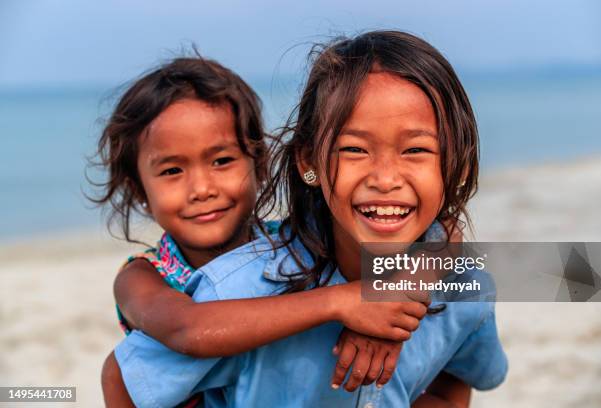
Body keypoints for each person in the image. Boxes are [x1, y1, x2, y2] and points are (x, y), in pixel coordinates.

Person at [111, 31, 508, 407]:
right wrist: (345, 302)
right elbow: (156, 350)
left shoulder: (461, 282)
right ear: (308, 162)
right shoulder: (221, 284)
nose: (202, 189)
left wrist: (398, 297)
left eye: (416, 150)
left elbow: (450, 245)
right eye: (353, 149)